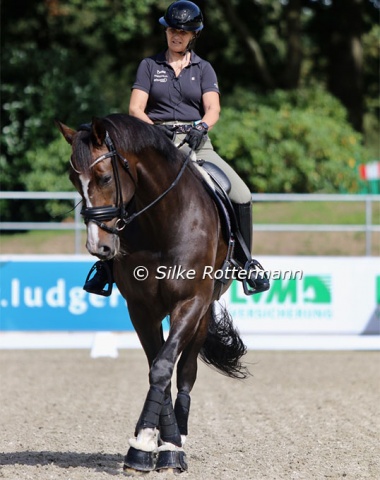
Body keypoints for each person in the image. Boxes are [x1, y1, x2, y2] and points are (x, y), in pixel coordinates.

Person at [84, 0, 269, 296]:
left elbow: (213, 109)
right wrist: (155, 132)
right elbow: (135, 108)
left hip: (196, 143)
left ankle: (244, 262)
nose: (176, 35)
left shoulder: (204, 69)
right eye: (172, 29)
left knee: (241, 193)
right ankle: (106, 269)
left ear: (194, 34)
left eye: (183, 31)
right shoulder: (149, 66)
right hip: (154, 145)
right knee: (123, 191)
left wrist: (201, 127)